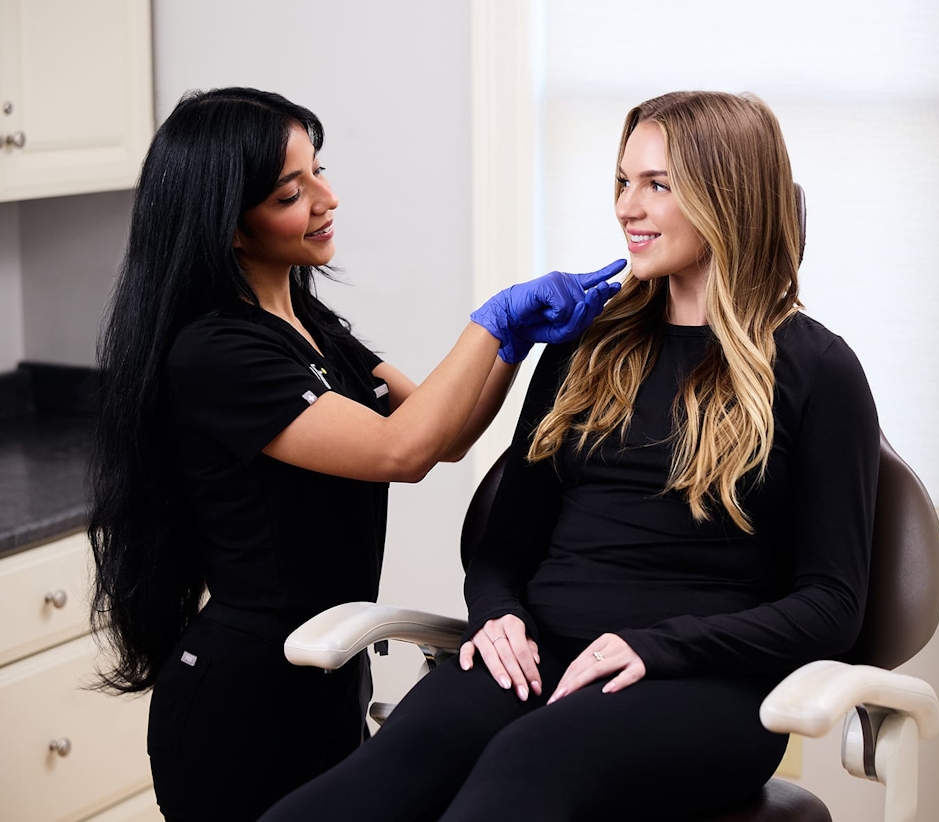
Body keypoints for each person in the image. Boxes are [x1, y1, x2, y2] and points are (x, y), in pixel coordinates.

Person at [259, 90, 881, 822]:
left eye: (657, 185)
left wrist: (662, 647)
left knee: (524, 768)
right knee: (369, 785)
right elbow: (504, 545)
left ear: (727, 196)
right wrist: (496, 615)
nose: (627, 207)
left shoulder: (818, 370)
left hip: (705, 683)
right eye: (623, 182)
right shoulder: (588, 346)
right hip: (537, 652)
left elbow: (832, 606)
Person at [87, 86, 622, 822]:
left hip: (327, 680)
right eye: (290, 191)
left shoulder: (311, 326)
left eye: (319, 171)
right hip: (239, 700)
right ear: (230, 226)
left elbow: (446, 434)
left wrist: (517, 346)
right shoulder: (215, 351)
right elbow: (400, 451)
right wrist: (489, 321)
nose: (326, 198)